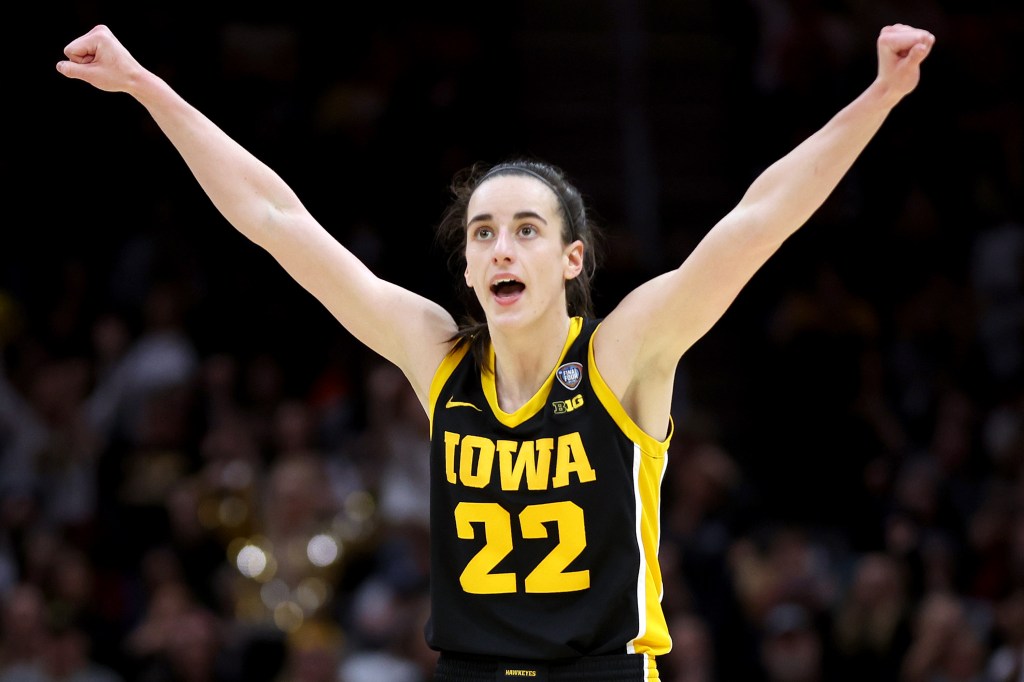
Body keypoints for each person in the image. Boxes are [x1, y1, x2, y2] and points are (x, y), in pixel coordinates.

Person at [56, 21, 935, 681]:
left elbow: (757, 221)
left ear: (571, 259)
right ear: (469, 264)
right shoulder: (436, 357)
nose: (502, 247)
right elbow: (274, 218)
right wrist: (146, 86)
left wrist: (882, 96)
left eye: (525, 229)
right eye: (484, 233)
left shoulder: (623, 353)